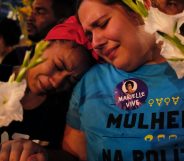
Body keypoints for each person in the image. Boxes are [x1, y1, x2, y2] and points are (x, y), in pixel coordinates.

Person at [1, 1, 184, 161]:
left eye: (102, 24)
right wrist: (44, 155)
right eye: (89, 35)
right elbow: (74, 154)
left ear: (136, 11)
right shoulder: (90, 81)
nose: (95, 43)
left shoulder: (179, 64)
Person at [0, 16, 95, 161]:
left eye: (71, 80)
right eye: (58, 66)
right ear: (43, 46)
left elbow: (72, 157)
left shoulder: (66, 107)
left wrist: (45, 154)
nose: (57, 83)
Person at [1, 0, 76, 68]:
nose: (30, 18)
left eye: (40, 12)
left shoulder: (72, 64)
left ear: (62, 22)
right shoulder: (17, 57)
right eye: (32, 11)